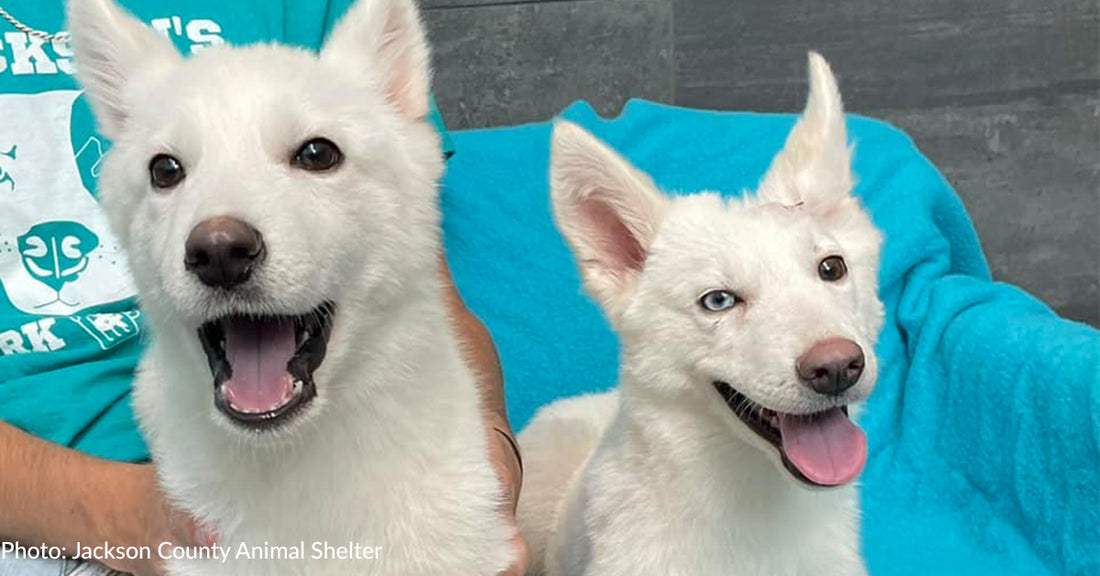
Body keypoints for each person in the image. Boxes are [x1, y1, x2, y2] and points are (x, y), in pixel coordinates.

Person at [0, 1, 528, 575]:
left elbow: (427, 292)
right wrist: (125, 519)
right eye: (169, 172)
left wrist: (491, 463)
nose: (218, 239)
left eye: (314, 155)